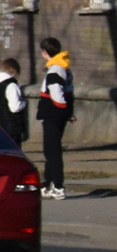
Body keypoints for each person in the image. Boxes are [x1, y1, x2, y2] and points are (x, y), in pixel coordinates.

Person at [37, 38, 75, 199]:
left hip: (53, 115)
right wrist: (68, 112)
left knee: (52, 151)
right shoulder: (63, 68)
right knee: (51, 150)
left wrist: (62, 110)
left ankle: (58, 186)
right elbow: (69, 91)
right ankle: (48, 183)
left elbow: (57, 94)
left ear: (45, 52)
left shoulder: (55, 70)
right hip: (57, 115)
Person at [0, 58, 27, 147]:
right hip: (11, 127)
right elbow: (15, 107)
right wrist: (24, 103)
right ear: (14, 72)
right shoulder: (11, 85)